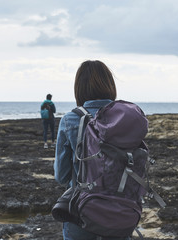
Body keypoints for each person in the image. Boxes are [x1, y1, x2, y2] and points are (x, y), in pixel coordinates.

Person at [54, 60, 130, 240]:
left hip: (82, 212)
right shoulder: (127, 118)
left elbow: (62, 176)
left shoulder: (71, 120)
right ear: (110, 85)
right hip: (122, 211)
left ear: (79, 88)